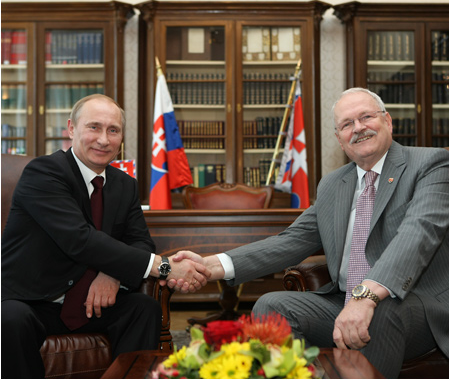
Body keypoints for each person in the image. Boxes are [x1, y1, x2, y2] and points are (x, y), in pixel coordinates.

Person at [169, 88, 449, 378]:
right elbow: (290, 242)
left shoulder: (429, 165)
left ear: (388, 121)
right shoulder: (333, 185)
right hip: (344, 301)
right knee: (271, 305)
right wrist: (207, 266)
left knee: (381, 310)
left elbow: (417, 235)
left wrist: (366, 298)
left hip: (416, 306)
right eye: (347, 124)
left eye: (366, 117)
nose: (358, 128)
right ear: (339, 139)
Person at [1, 94, 209, 378]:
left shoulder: (124, 185)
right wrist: (166, 266)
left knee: (143, 309)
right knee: (9, 319)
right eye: (94, 127)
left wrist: (112, 275)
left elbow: (140, 241)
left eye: (113, 130)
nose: (103, 139)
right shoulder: (44, 173)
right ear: (71, 129)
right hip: (32, 300)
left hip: (88, 302)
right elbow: (80, 240)